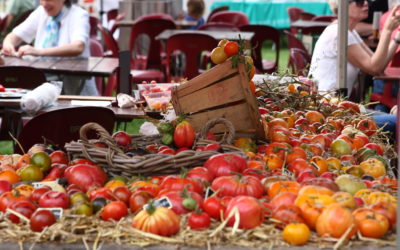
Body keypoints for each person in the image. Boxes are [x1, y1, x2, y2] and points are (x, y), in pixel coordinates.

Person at [309, 0, 400, 136]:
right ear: (343, 6)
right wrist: (387, 30)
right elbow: (374, 67)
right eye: (358, 1)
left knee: (394, 119)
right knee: (396, 122)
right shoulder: (339, 33)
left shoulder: (348, 31)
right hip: (328, 111)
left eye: (365, 1)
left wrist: (396, 38)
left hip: (339, 107)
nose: (365, 4)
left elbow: (379, 65)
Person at [2, 0, 98, 96]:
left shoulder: (78, 15)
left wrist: (39, 52)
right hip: (44, 84)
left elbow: (78, 47)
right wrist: (8, 44)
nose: (44, 3)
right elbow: (15, 35)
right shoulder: (41, 12)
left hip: (75, 89)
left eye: (49, 0)